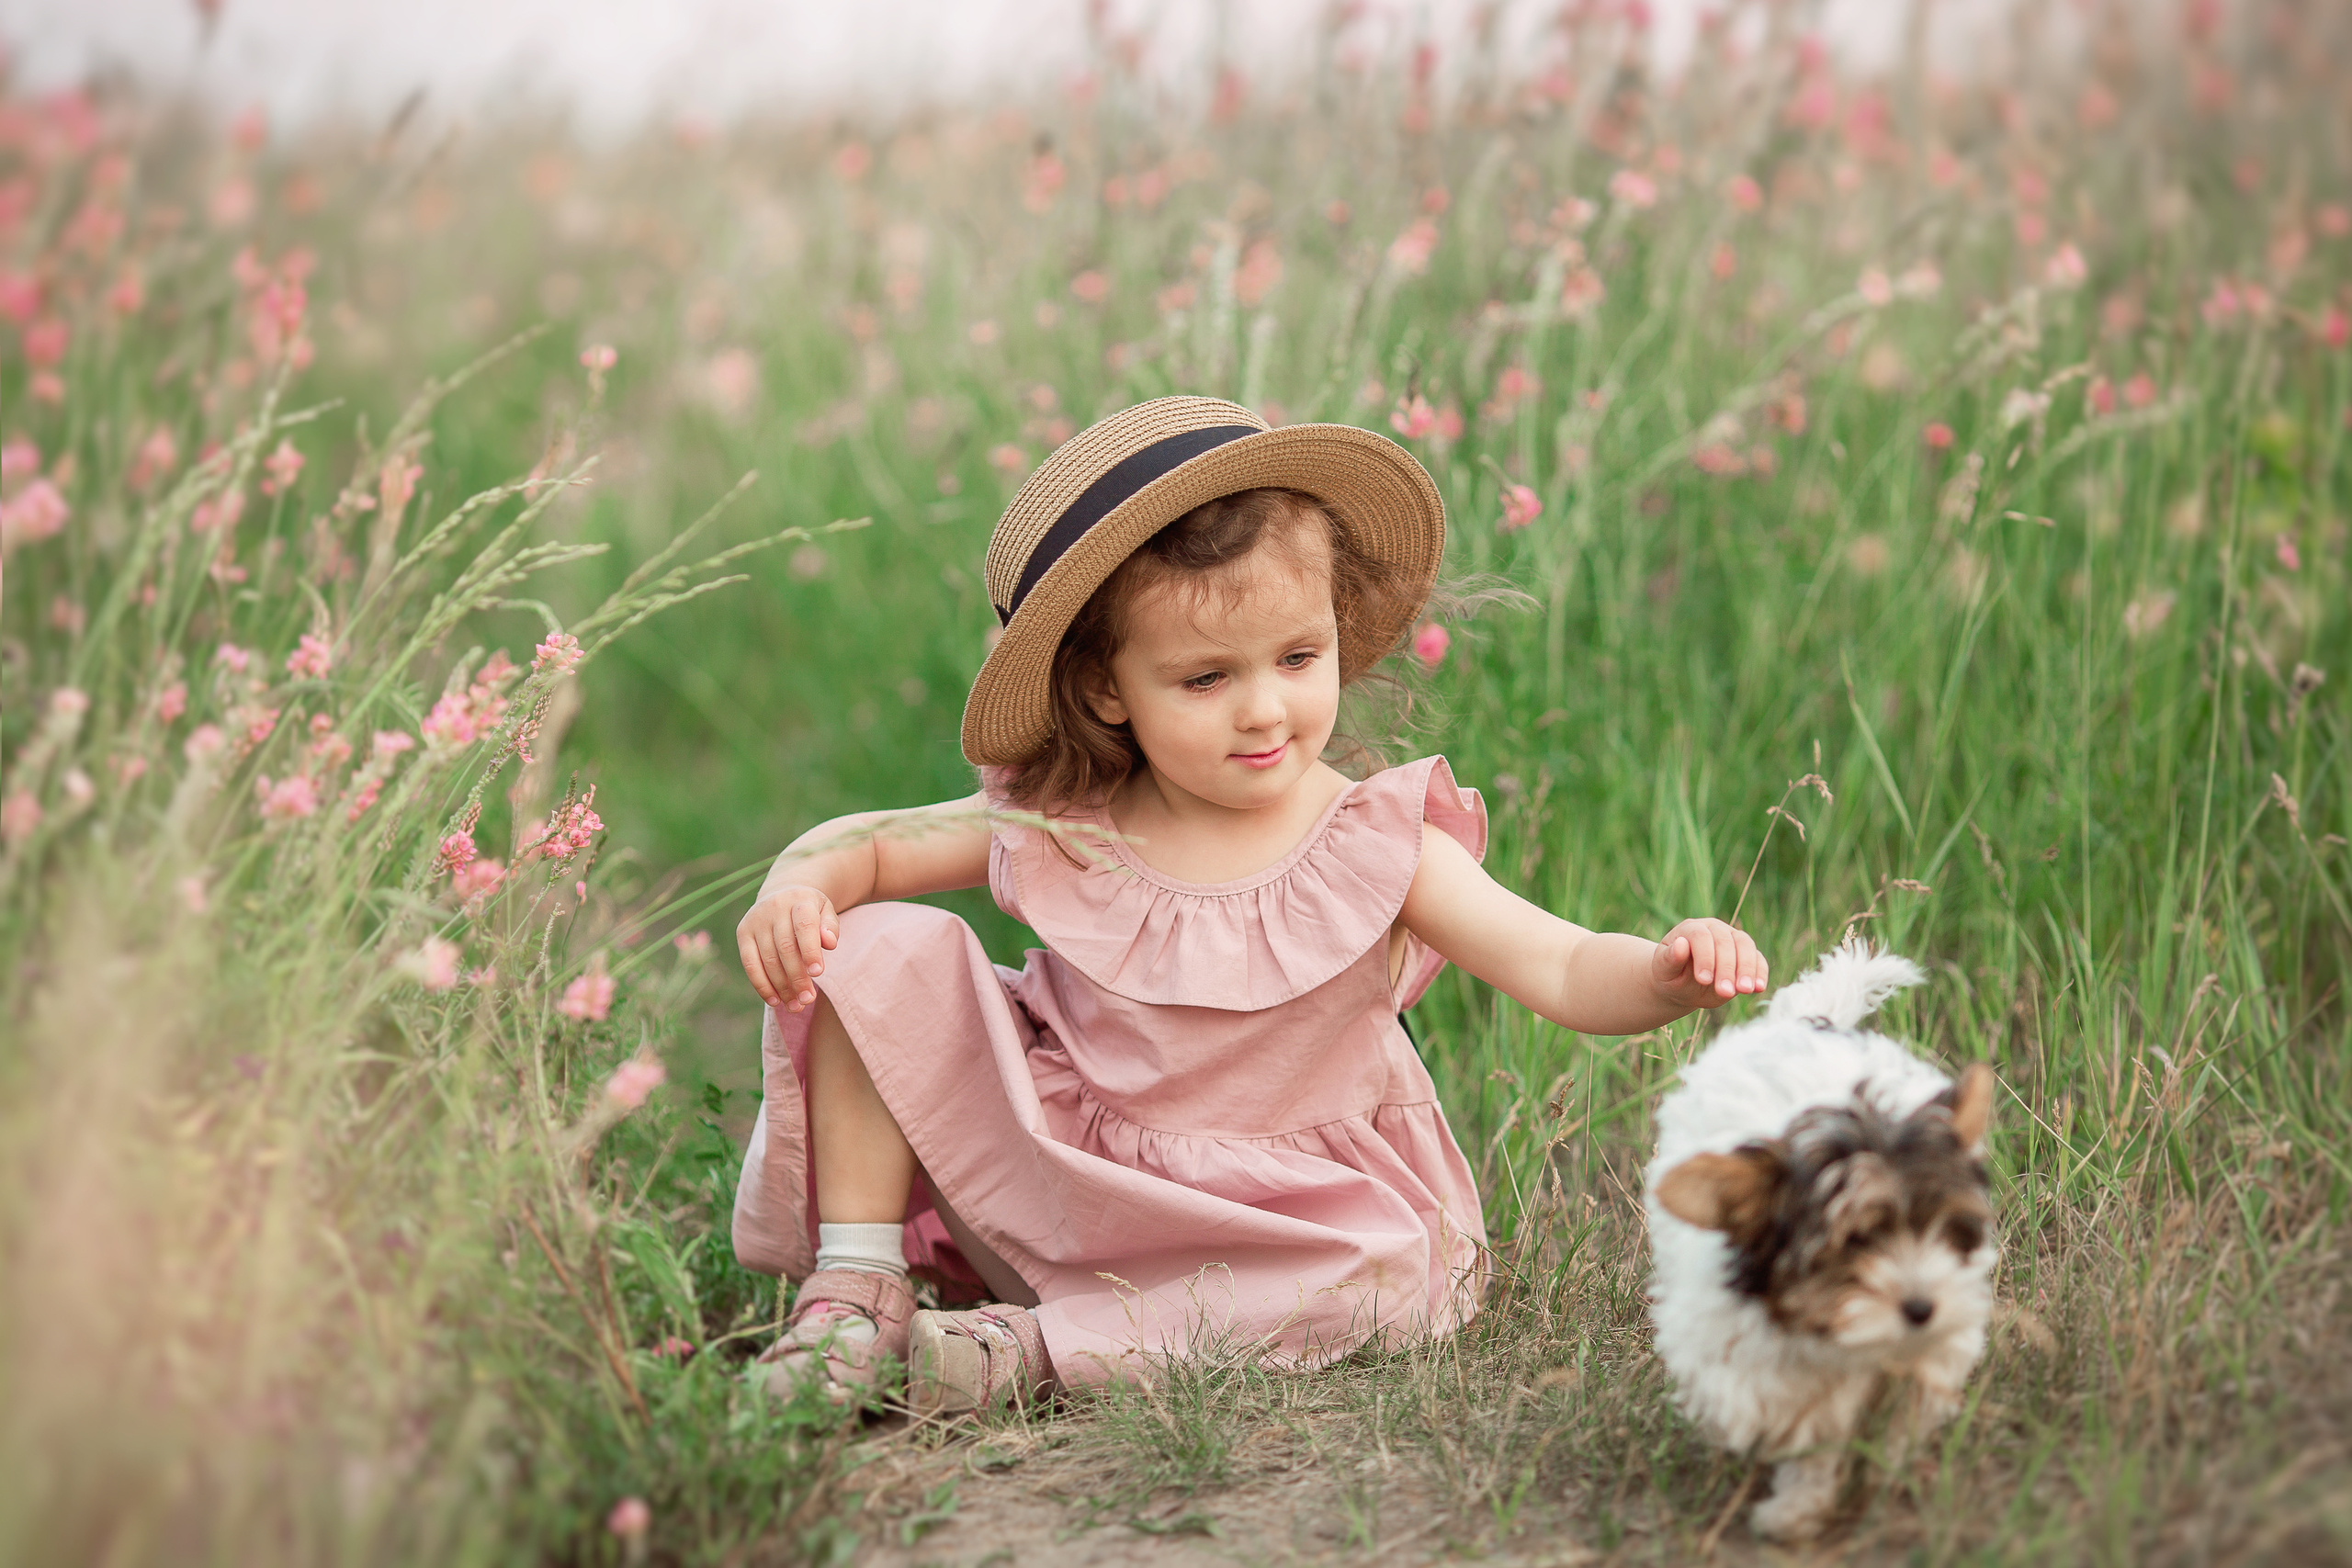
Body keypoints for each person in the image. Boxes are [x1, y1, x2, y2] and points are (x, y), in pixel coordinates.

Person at [731, 396, 1767, 1414]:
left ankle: (1032, 1349)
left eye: (1296, 658)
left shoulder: (1376, 842)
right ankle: (858, 1289)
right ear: (1105, 691)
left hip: (1287, 1232)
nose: (1265, 709)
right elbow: (865, 847)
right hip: (1065, 1191)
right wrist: (799, 884)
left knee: (1402, 1278)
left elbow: (1559, 964)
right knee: (872, 941)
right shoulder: (1067, 815)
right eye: (1203, 679)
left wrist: (1662, 972)